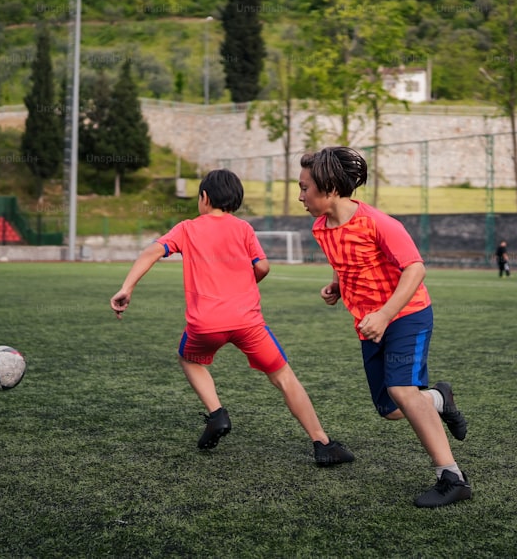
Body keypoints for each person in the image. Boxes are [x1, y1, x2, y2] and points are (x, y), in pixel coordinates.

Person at [109, 168, 354, 467]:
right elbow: (263, 266)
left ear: (204, 197)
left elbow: (151, 252)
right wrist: (242, 284)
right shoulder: (243, 229)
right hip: (248, 323)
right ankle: (322, 443)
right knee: (283, 377)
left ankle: (217, 414)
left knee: (188, 359)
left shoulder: (187, 228)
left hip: (205, 324)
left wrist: (127, 288)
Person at [298, 146, 471, 508]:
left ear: (329, 188)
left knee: (403, 391)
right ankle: (440, 398)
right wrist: (337, 285)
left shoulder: (380, 223)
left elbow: (415, 269)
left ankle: (452, 476)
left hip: (407, 314)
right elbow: (346, 262)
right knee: (390, 408)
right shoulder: (320, 227)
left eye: (304, 188)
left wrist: (386, 314)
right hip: (369, 324)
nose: (300, 196)